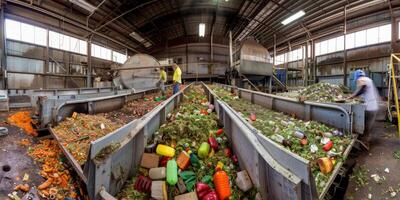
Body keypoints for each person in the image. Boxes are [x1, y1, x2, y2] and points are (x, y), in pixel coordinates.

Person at [348, 69, 379, 150]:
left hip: (369, 108)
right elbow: (365, 91)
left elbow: (362, 88)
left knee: (365, 127)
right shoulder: (369, 80)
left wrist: (352, 96)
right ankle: (364, 142)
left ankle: (364, 145)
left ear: (357, 77)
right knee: (368, 126)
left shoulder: (361, 79)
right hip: (373, 106)